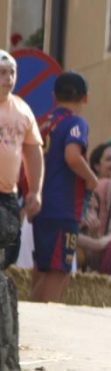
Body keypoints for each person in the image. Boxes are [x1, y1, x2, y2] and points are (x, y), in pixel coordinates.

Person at [31, 72, 99, 303]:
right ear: (85, 98)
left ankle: (28, 319)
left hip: (42, 205)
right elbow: (72, 156)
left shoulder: (44, 124)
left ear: (54, 96)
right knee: (58, 272)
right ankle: (43, 321)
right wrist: (92, 178)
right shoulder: (76, 123)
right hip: (63, 207)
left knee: (41, 270)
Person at [0, 50, 44, 267]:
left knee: (9, 252)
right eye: (2, 73)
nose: (8, 78)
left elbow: (33, 151)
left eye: (12, 72)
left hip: (8, 195)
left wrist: (35, 190)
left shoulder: (23, 109)